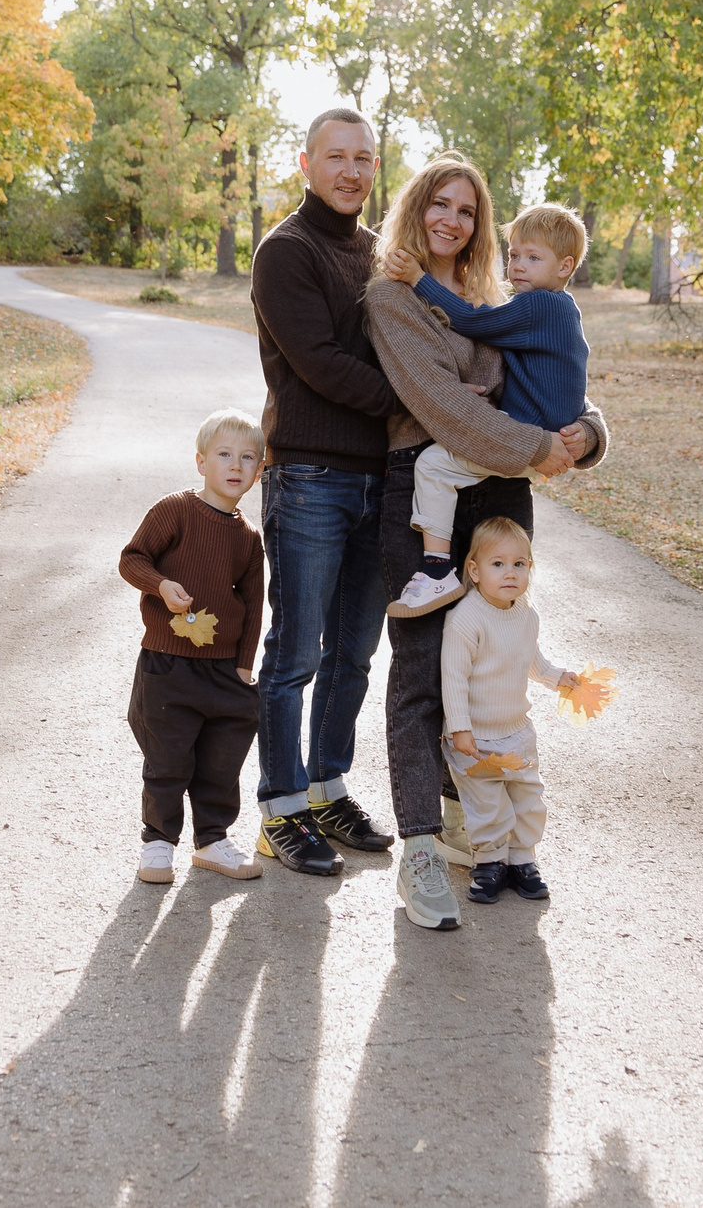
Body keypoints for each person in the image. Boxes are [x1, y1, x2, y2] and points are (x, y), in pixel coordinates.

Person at [365, 155, 605, 931]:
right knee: (424, 675)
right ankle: (423, 849)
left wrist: (590, 432)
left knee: (494, 662)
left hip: (500, 490)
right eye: (439, 204)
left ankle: (478, 823)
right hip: (427, 484)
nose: (452, 221)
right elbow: (444, 408)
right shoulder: (393, 296)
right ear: (416, 210)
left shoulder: (503, 298)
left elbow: (557, 382)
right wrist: (538, 443)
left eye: (467, 210)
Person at [247, 109, 401, 877]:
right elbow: (322, 365)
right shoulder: (286, 251)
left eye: (364, 159)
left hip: (381, 481)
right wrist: (416, 403)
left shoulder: (380, 255)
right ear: (306, 163)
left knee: (353, 653)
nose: (350, 171)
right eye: (336, 157)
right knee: (295, 651)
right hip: (309, 476)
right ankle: (280, 807)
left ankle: (326, 785)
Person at [383, 203, 591, 615]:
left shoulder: (539, 305)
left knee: (433, 466)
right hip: (540, 437)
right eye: (514, 255)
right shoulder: (563, 309)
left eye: (534, 258)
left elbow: (472, 320)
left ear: (565, 267)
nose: (518, 266)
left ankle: (436, 571)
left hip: (526, 438)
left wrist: (418, 278)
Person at [117, 408, 269, 884]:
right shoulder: (174, 511)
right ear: (201, 462)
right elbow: (131, 559)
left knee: (222, 761)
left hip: (224, 670)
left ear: (259, 472)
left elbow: (253, 603)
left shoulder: (247, 538)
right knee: (168, 759)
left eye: (248, 458)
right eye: (224, 454)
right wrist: (160, 586)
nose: (235, 465)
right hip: (169, 665)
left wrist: (246, 664)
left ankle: (213, 839)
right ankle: (158, 843)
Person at [440, 517, 576, 905]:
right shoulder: (466, 618)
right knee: (487, 805)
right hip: (475, 737)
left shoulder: (526, 616)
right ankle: (488, 862)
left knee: (527, 798)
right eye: (497, 564)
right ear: (475, 570)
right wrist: (459, 727)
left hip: (516, 733)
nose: (510, 573)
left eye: (520, 564)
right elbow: (453, 677)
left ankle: (522, 860)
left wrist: (556, 677)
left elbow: (531, 660)